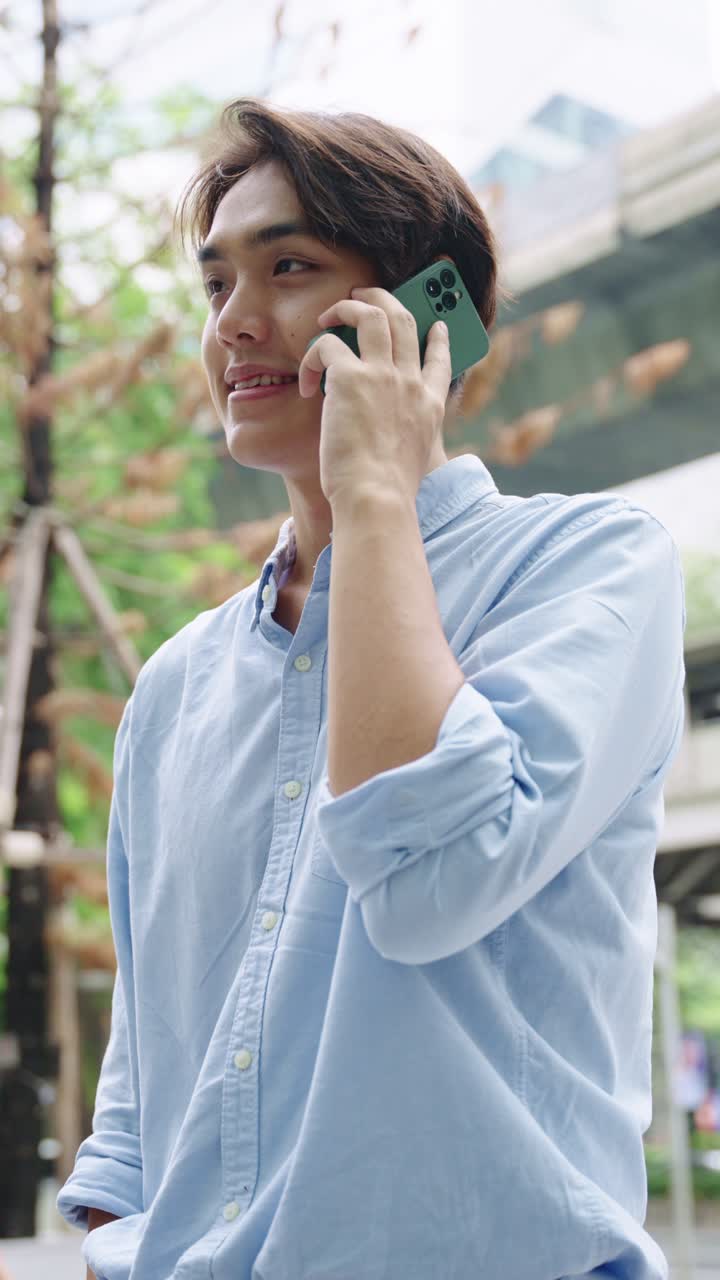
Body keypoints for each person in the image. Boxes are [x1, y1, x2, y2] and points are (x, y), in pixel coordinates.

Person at [56, 97, 686, 1280]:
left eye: (289, 267)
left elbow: (430, 880)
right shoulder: (176, 686)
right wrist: (112, 1242)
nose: (237, 323)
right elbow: (141, 1081)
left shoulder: (592, 569)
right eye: (215, 286)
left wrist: (379, 493)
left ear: (421, 315)